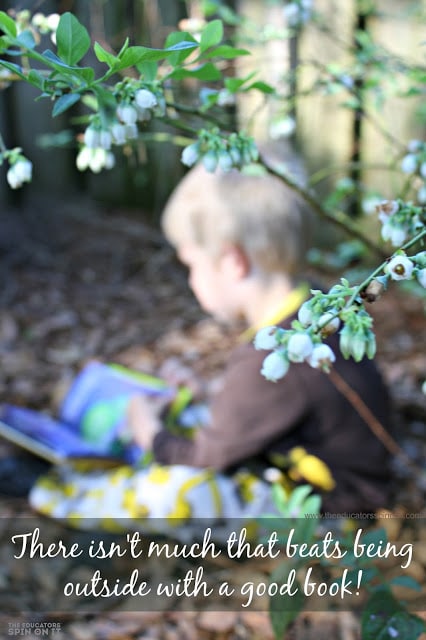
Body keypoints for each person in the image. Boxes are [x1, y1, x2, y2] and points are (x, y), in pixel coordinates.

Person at [29, 145, 392, 530]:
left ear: (233, 262)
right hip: (315, 466)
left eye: (191, 264)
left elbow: (207, 458)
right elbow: (283, 402)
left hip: (333, 509)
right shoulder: (314, 308)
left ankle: (58, 491)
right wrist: (206, 390)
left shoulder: (271, 357)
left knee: (179, 494)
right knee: (191, 414)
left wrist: (150, 434)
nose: (190, 280)